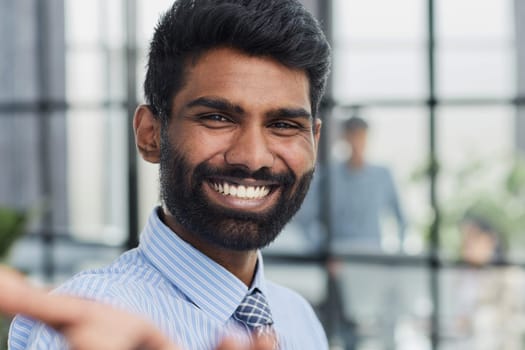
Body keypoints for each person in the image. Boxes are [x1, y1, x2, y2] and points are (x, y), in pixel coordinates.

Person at [8, 0, 331, 349]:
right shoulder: (95, 325)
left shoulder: (298, 318)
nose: (252, 158)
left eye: (283, 125)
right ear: (150, 134)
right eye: (217, 118)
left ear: (313, 140)